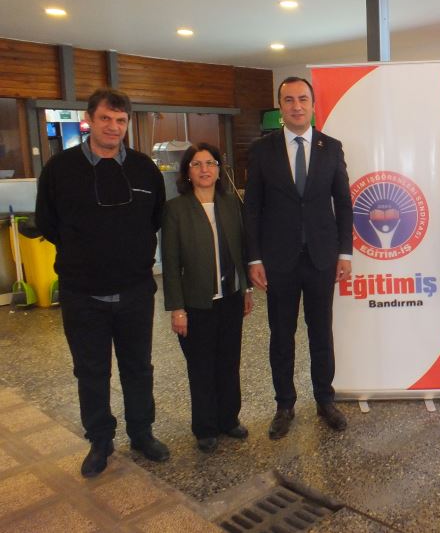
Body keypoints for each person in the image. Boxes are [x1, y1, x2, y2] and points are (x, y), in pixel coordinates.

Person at [35, 88, 170, 477]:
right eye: (106, 118)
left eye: (120, 120)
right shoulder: (60, 169)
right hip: (82, 295)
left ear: (127, 124)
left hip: (135, 291)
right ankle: (100, 440)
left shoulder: (144, 169)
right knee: (91, 371)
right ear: (89, 120)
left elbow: (155, 219)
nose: (113, 127)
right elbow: (48, 223)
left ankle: (142, 433)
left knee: (138, 367)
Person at [244, 76, 353, 437]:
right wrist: (254, 259)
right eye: (289, 100)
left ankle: (325, 399)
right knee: (281, 335)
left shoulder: (331, 148)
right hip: (279, 261)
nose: (296, 106)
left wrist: (344, 253)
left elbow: (344, 204)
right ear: (280, 107)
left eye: (302, 99)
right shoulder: (262, 150)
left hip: (322, 258)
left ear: (313, 104)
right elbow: (252, 208)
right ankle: (284, 405)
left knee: (321, 333)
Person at [161, 143, 253, 453]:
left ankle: (229, 419)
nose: (204, 169)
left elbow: (241, 250)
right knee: (201, 367)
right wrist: (177, 308)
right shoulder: (176, 209)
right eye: (197, 164)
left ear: (218, 169)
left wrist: (246, 289)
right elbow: (170, 263)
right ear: (187, 171)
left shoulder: (230, 203)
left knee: (229, 362)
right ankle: (205, 427)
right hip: (196, 304)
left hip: (230, 298)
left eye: (210, 163)